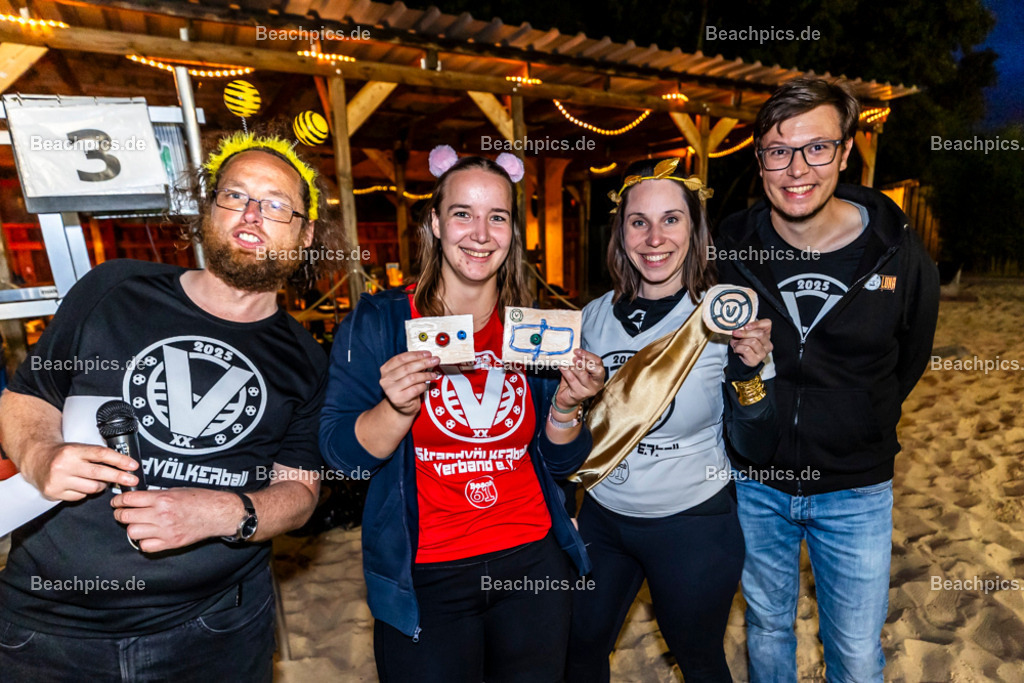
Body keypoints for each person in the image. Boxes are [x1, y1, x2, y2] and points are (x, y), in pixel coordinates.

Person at [0, 131, 342, 681]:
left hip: (213, 628)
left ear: (303, 238)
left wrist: (222, 513)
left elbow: (299, 493)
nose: (252, 213)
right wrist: (41, 455)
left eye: (277, 205)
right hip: (50, 626)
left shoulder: (307, 359)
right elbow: (26, 398)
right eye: (234, 195)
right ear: (207, 213)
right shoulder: (113, 289)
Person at [319, 146, 604, 682]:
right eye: (462, 214)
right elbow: (342, 458)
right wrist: (396, 407)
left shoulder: (536, 331)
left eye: (497, 216)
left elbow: (560, 464)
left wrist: (566, 407)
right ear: (434, 222)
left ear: (512, 231)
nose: (480, 232)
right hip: (427, 572)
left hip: (532, 563)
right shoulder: (381, 321)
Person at [717, 78, 940, 682]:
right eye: (778, 150)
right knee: (765, 630)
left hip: (856, 491)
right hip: (756, 484)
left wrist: (858, 417)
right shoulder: (730, 247)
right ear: (760, 159)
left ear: (845, 153)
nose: (797, 168)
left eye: (817, 148)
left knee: (857, 654)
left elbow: (911, 354)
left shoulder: (896, 249)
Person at [565, 159, 778, 682]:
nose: (654, 237)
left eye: (671, 219)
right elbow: (567, 427)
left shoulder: (726, 316)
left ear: (695, 228)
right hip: (604, 518)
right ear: (621, 231)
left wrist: (749, 371)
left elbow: (759, 440)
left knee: (699, 659)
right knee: (577, 650)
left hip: (693, 525)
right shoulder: (591, 317)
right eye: (639, 221)